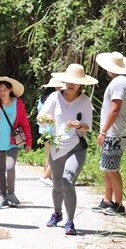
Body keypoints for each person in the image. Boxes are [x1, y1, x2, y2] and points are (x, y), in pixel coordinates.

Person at [36, 63, 97, 236]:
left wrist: (79, 125)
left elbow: (88, 126)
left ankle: (70, 221)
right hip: (57, 146)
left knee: (67, 182)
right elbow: (40, 117)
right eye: (69, 81)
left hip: (76, 147)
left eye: (75, 82)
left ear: (81, 84)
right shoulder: (55, 97)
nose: (71, 85)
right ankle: (57, 213)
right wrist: (45, 118)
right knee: (56, 185)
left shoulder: (85, 101)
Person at [93, 52, 126, 215]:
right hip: (112, 132)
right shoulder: (119, 81)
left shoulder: (119, 82)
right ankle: (107, 200)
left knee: (112, 168)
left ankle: (118, 204)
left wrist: (103, 130)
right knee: (107, 168)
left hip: (114, 133)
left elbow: (115, 109)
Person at [0, 76, 33, 208]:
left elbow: (24, 123)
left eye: (4, 90)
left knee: (10, 167)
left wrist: (29, 142)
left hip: (13, 141)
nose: (1, 93)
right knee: (0, 169)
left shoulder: (18, 103)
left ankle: (11, 193)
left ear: (10, 90)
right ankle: (2, 196)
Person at [37, 77, 65, 186]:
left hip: (43, 129)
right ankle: (46, 176)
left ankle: (47, 175)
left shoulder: (42, 98)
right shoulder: (55, 99)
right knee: (54, 154)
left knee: (49, 154)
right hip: (51, 129)